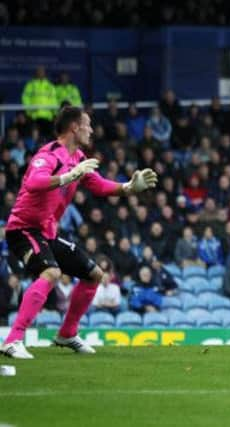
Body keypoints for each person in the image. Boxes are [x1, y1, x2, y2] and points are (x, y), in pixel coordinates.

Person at [0, 106, 158, 359]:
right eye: (88, 124)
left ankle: (67, 333)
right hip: (23, 229)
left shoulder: (78, 157)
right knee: (51, 273)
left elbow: (99, 185)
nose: (92, 129)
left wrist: (129, 187)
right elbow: (33, 182)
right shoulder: (50, 154)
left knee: (94, 274)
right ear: (74, 127)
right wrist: (68, 176)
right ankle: (12, 340)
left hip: (47, 233)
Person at [21, 66, 57, 138]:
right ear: (36, 73)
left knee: (48, 137)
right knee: (35, 137)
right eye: (39, 71)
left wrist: (54, 114)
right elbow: (25, 98)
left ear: (45, 73)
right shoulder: (31, 85)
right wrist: (29, 112)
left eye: (42, 71)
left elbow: (54, 100)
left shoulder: (50, 86)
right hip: (34, 116)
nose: (40, 73)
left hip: (47, 117)